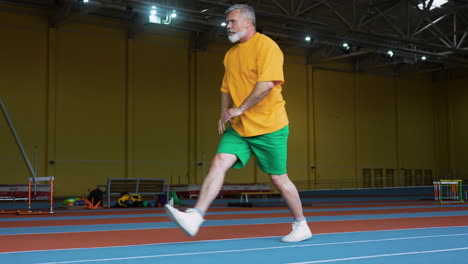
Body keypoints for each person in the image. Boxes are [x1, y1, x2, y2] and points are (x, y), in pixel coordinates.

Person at [165, 4, 312, 243]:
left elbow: (266, 85)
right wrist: (225, 113)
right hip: (241, 128)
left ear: (248, 22)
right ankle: (195, 216)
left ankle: (301, 224)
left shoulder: (267, 47)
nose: (228, 26)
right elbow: (225, 88)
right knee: (219, 161)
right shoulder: (230, 55)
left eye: (232, 21)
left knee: (279, 179)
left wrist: (240, 108)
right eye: (227, 22)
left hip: (270, 126)